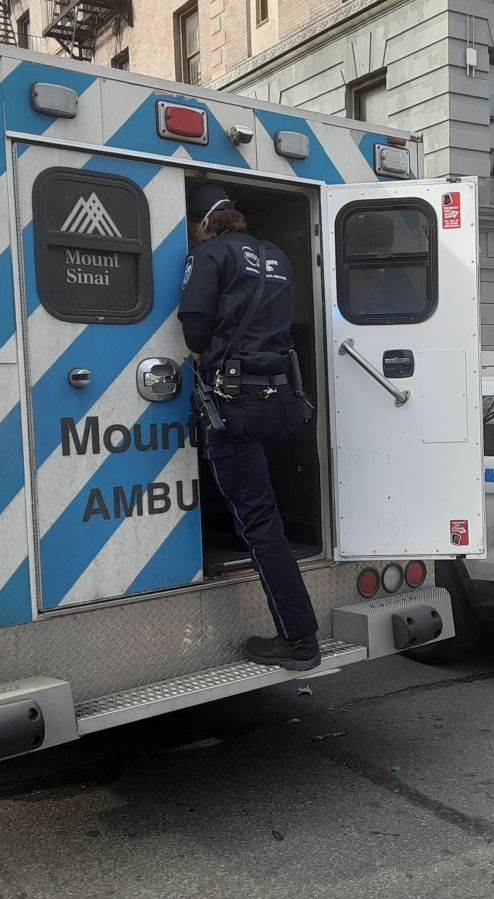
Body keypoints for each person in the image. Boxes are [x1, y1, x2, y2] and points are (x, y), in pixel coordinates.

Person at [179, 183, 320, 671]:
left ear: (201, 222)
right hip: (280, 401)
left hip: (237, 406)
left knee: (261, 524)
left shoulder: (209, 254)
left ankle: (299, 640)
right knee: (266, 511)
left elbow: (195, 332)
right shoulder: (276, 254)